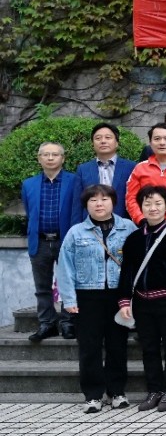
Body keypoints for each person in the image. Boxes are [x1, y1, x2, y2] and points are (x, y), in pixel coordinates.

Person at [57, 184, 137, 412]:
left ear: (113, 202)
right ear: (86, 205)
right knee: (89, 347)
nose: (99, 204)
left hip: (118, 296)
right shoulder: (76, 232)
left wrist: (134, 297)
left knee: (117, 345)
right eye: (93, 200)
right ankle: (93, 395)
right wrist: (69, 300)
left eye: (104, 199)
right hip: (87, 295)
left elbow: (136, 264)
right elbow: (65, 267)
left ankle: (117, 392)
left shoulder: (128, 228)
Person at [118, 185, 166, 412]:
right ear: (141, 207)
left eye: (158, 203)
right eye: (147, 203)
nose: (153, 208)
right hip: (142, 302)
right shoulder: (133, 238)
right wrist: (124, 300)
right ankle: (154, 390)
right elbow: (127, 271)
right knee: (148, 347)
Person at [23, 141, 81, 341]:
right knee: (42, 286)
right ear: (39, 159)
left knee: (69, 283)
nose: (50, 158)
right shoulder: (28, 184)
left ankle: (68, 322)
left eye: (54, 154)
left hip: (65, 240)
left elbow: (78, 209)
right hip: (39, 241)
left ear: (62, 159)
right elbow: (29, 211)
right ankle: (47, 323)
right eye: (45, 154)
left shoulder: (74, 181)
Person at [126, 124, 166, 225]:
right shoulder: (140, 168)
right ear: (150, 143)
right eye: (157, 139)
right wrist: (141, 220)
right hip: (147, 226)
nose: (162, 143)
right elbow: (131, 198)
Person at [74, 122, 136, 219]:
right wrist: (76, 226)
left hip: (123, 223)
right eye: (98, 138)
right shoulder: (83, 169)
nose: (103, 141)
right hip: (91, 224)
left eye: (108, 137)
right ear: (92, 144)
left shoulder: (131, 167)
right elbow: (77, 204)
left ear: (117, 143)